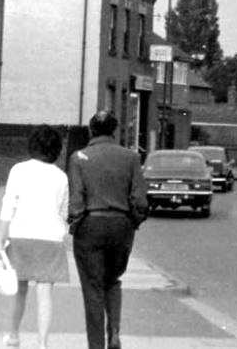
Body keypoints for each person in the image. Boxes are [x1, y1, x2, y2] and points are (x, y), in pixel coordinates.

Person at [68, 111, 148, 349]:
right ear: (114, 131)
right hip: (121, 225)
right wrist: (132, 221)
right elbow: (140, 200)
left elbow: (76, 200)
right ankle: (114, 332)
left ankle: (96, 346)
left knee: (93, 289)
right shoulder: (131, 157)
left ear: (91, 130)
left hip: (90, 225)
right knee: (113, 280)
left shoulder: (79, 157)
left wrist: (74, 222)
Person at [0, 125, 69, 349]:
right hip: (50, 238)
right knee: (45, 293)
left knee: (18, 291)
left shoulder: (18, 170)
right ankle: (42, 343)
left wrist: (1, 239)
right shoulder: (61, 176)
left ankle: (14, 336)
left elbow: (8, 206)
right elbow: (64, 212)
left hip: (21, 235)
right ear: (56, 149)